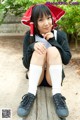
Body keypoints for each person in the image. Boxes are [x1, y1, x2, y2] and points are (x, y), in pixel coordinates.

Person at [17, 3, 72, 119]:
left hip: (53, 79)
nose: (47, 23)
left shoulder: (60, 35)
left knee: (52, 50)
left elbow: (66, 59)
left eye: (48, 18)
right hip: (36, 79)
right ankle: (30, 94)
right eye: (41, 20)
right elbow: (26, 64)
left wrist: (53, 41)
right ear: (35, 23)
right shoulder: (29, 36)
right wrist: (32, 47)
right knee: (39, 49)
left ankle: (57, 94)